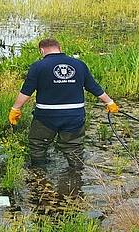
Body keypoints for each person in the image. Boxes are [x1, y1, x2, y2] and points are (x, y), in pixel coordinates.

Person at [8, 38, 118, 170]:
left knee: (38, 144)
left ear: (41, 50)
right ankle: (76, 174)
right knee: (74, 147)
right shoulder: (79, 64)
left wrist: (16, 108)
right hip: (74, 116)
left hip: (46, 116)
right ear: (59, 48)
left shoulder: (38, 66)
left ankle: (39, 173)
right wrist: (109, 102)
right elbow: (93, 86)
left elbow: (26, 91)